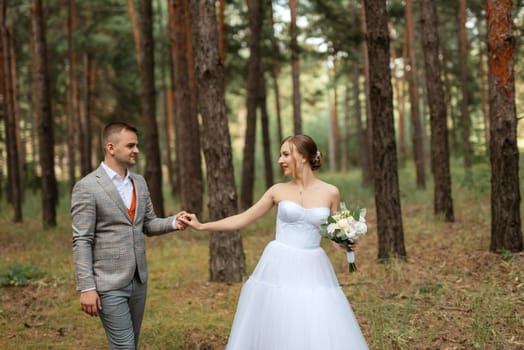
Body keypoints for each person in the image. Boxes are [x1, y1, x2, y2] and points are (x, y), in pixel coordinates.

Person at [180, 134, 368, 350]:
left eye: (286, 154)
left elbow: (332, 237)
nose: (280, 160)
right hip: (279, 265)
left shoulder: (330, 192)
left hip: (313, 267)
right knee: (279, 318)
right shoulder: (277, 190)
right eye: (280, 155)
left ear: (304, 157)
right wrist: (203, 225)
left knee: (313, 318)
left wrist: (345, 244)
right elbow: (242, 218)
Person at [72, 122, 187, 349]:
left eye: (137, 145)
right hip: (108, 283)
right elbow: (82, 240)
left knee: (130, 342)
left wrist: (175, 221)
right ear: (111, 148)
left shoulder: (139, 182)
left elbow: (148, 224)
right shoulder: (87, 187)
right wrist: (87, 288)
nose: (137, 150)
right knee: (124, 345)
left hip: (138, 281)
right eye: (131, 145)